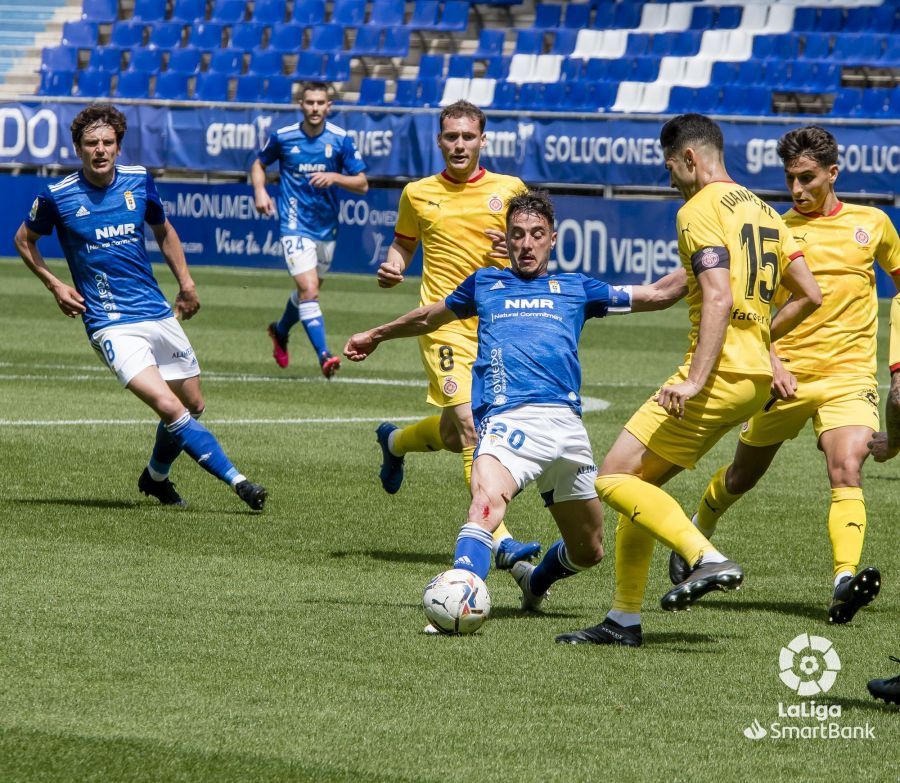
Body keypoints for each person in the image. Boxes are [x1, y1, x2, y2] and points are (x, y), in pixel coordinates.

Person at [344, 190, 687, 619]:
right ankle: (460, 592)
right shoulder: (485, 284)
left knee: (589, 550)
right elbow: (431, 316)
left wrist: (713, 262)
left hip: (566, 429)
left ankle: (536, 581)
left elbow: (658, 294)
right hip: (509, 423)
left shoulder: (577, 288)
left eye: (536, 234)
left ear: (553, 239)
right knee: (485, 503)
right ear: (505, 239)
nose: (526, 244)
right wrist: (376, 334)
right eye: (518, 234)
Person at [556, 114, 822, 647]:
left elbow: (719, 296)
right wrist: (761, 343)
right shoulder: (766, 210)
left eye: (670, 167)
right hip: (752, 376)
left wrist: (696, 380)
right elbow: (809, 294)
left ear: (690, 159)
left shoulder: (697, 209)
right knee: (640, 486)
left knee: (609, 479)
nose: (670, 179)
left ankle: (705, 556)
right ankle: (623, 620)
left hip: (717, 374)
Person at [672, 126, 900, 625]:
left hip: (848, 374)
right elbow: (746, 301)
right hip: (784, 373)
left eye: (807, 178)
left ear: (833, 173)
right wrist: (768, 357)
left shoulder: (875, 224)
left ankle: (844, 581)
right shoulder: (774, 227)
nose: (797, 189)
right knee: (742, 475)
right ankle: (700, 526)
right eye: (790, 179)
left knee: (847, 466)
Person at [15, 104, 267, 511]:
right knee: (169, 406)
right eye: (91, 143)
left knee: (193, 405)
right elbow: (24, 239)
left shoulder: (138, 181)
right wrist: (55, 284)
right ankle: (240, 483)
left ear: (118, 146)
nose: (100, 150)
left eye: (107, 142)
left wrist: (186, 283)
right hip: (110, 323)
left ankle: (155, 478)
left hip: (156, 312)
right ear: (78, 149)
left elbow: (164, 229)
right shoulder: (57, 196)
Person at [374, 99, 539, 569]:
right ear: (439, 140)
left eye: (469, 137)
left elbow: (535, 250)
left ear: (482, 140)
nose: (460, 145)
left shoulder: (510, 190)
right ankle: (500, 537)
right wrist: (394, 265)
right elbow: (404, 243)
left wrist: (511, 249)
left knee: (452, 431)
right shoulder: (418, 193)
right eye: (452, 137)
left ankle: (394, 442)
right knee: (470, 426)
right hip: (442, 323)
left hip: (496, 326)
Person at [252, 81, 368, 377]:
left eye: (320, 103)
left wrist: (335, 177)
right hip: (293, 224)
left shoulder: (340, 139)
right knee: (309, 289)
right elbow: (259, 164)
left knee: (308, 291)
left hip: (326, 227)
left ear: (329, 106)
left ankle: (280, 331)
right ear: (301, 105)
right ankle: (324, 355)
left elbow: (363, 184)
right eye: (309, 102)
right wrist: (260, 191)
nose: (315, 108)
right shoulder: (283, 137)